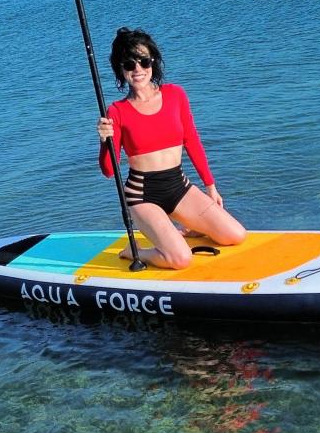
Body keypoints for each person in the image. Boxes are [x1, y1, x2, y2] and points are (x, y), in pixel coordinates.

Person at [97, 27, 246, 269]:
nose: (138, 69)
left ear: (153, 62)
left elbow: (192, 141)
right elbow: (108, 171)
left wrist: (210, 187)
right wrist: (105, 141)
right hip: (142, 195)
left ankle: (189, 228)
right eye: (129, 64)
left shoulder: (176, 95)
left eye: (144, 61)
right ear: (120, 69)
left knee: (235, 235)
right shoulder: (117, 111)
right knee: (181, 259)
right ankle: (136, 252)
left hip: (179, 187)